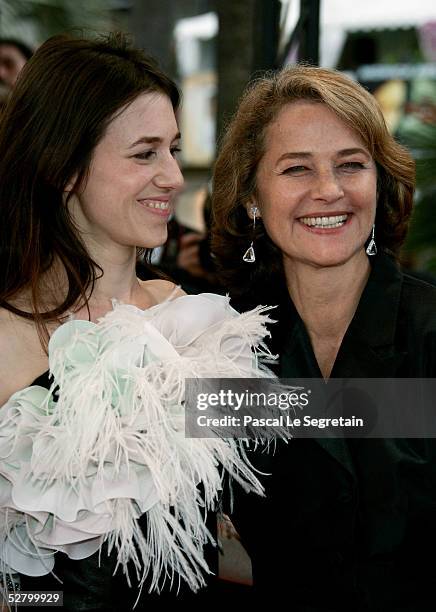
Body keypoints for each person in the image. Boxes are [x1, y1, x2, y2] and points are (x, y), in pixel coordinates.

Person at [0, 33, 272, 610]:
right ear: (65, 166)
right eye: (145, 153)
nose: (173, 177)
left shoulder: (193, 322)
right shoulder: (4, 340)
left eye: (173, 149)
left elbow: (321, 424)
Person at [211, 65, 436, 610]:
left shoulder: (429, 328)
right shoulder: (220, 345)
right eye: (296, 169)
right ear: (252, 197)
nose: (329, 191)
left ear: (380, 181)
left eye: (351, 165)